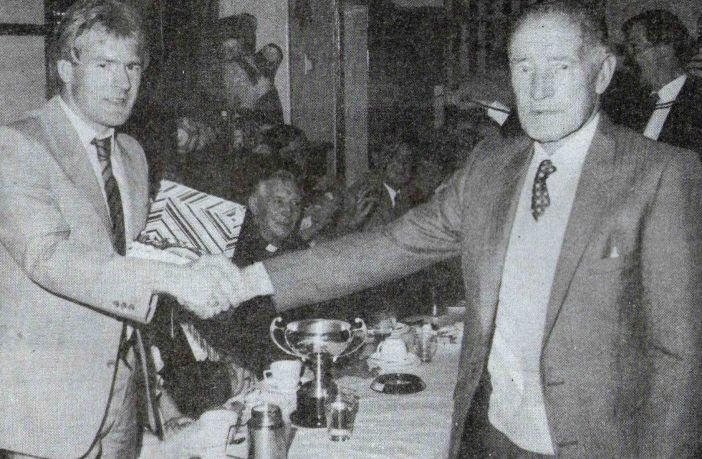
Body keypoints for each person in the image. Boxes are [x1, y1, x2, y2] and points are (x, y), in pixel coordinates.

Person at [237, 1, 702, 457]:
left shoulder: (661, 174)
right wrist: (251, 280)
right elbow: (390, 245)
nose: (538, 90)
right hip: (492, 436)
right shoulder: (490, 167)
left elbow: (682, 358)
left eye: (560, 67)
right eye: (524, 68)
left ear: (602, 73)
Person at [0, 1, 247, 457]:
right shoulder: (17, 144)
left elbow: (139, 262)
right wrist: (177, 278)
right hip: (47, 407)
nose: (122, 83)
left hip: (125, 398)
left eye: (132, 66)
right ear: (65, 70)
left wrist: (201, 266)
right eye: (104, 65)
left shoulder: (131, 153)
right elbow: (48, 258)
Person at [154, 165, 305, 416]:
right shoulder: (227, 251)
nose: (287, 212)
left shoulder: (299, 251)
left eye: (295, 204)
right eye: (278, 201)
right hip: (232, 379)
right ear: (254, 205)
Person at [620, 9, 702, 155]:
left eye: (635, 47)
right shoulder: (632, 105)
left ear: (665, 49)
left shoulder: (696, 102)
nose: (627, 60)